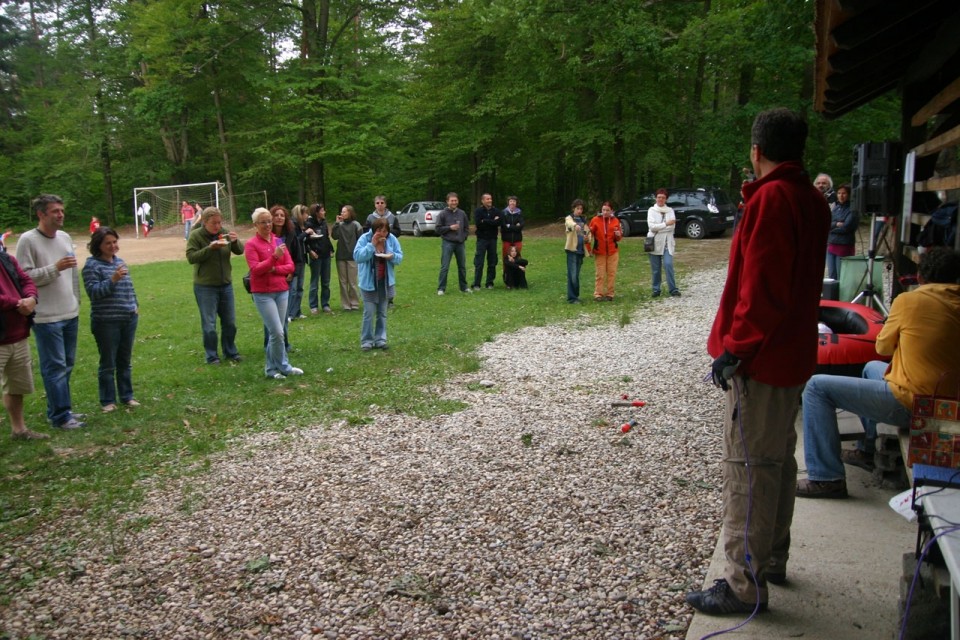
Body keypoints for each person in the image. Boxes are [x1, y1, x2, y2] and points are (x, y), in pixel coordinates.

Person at [686, 108, 830, 615]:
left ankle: (744, 583)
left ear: (756, 150)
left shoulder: (773, 198)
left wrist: (736, 350)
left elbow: (763, 288)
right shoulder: (812, 199)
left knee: (747, 467)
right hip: (790, 356)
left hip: (764, 362)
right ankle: (771, 558)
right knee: (776, 462)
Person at [798, 247, 960, 499]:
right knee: (871, 368)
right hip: (951, 406)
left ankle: (825, 477)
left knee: (816, 387)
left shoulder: (910, 301)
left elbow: (882, 346)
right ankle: (867, 450)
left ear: (919, 277)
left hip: (918, 407)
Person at [16, 195, 84, 430]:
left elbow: (73, 274)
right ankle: (61, 416)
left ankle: (61, 409)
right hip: (46, 317)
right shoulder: (28, 240)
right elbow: (23, 278)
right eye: (55, 211)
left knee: (67, 364)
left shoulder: (65, 237)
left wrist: (76, 300)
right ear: (41, 214)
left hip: (69, 312)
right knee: (54, 366)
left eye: (62, 210)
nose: (60, 214)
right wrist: (54, 269)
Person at [81, 227, 140, 413]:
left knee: (124, 360)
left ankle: (127, 396)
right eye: (108, 243)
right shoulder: (92, 266)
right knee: (108, 363)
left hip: (128, 318)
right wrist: (112, 280)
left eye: (115, 242)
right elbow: (94, 293)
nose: (113, 246)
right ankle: (107, 400)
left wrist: (135, 305)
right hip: (106, 322)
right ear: (98, 245)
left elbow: (129, 287)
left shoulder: (120, 262)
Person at [244, 208, 302, 380]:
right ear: (255, 225)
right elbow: (256, 270)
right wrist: (274, 259)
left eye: (269, 221)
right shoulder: (251, 245)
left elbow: (290, 266)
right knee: (276, 331)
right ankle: (281, 366)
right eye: (264, 222)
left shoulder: (278, 241)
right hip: (263, 293)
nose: (268, 225)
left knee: (279, 331)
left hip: (282, 290)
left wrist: (274, 268)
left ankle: (275, 368)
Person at [185, 206, 243, 365]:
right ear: (204, 222)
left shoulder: (223, 232)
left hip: (226, 285)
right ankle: (212, 356)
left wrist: (235, 241)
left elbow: (240, 251)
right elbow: (191, 257)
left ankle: (230, 351)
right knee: (209, 324)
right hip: (205, 286)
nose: (218, 226)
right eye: (214, 223)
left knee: (230, 322)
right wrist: (210, 248)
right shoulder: (196, 236)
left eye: (219, 222)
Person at [0, 246, 45, 440]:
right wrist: (18, 303)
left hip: (17, 335)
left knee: (16, 387)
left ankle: (19, 430)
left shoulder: (7, 259)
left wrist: (32, 298)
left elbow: (26, 280)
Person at [354, 217, 402, 350]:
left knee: (382, 312)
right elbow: (357, 257)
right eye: (379, 231)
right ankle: (366, 341)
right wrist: (372, 245)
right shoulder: (365, 238)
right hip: (368, 282)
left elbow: (399, 257)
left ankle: (380, 339)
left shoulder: (391, 239)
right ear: (374, 230)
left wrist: (391, 256)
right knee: (369, 312)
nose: (382, 234)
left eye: (385, 231)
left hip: (385, 281)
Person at [268, 205, 299, 352]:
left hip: (287, 277)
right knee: (270, 316)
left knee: (283, 314)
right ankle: (269, 344)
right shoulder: (266, 236)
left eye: (282, 215)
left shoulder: (291, 234)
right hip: (269, 279)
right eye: (276, 215)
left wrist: (292, 273)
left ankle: (284, 343)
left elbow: (298, 258)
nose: (279, 218)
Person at [365, 196, 400, 306]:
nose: (379, 204)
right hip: (375, 247)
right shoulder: (371, 217)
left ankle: (389, 299)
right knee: (375, 272)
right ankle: (375, 297)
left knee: (388, 272)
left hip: (388, 246)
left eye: (382, 202)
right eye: (377, 203)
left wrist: (388, 234)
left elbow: (398, 230)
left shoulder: (392, 217)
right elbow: (366, 230)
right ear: (375, 204)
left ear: (385, 204)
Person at [647, 188, 680, 297]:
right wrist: (666, 224)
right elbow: (651, 227)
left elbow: (672, 227)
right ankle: (656, 289)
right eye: (659, 197)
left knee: (668, 264)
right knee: (656, 269)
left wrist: (660, 227)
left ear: (666, 199)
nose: (660, 199)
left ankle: (673, 289)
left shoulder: (670, 211)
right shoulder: (651, 210)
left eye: (663, 197)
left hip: (667, 243)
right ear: (656, 198)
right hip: (654, 242)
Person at [436, 192, 471, 295]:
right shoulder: (443, 214)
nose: (454, 202)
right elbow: (437, 229)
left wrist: (464, 237)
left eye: (455, 200)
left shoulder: (462, 213)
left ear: (458, 201)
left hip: (460, 243)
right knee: (445, 266)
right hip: (448, 243)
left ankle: (464, 287)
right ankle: (441, 288)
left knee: (462, 266)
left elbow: (466, 228)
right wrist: (449, 228)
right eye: (452, 201)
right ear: (447, 201)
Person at [587, 201, 622, 301]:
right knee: (600, 273)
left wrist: (618, 235)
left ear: (612, 211)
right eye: (603, 210)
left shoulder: (615, 221)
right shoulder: (595, 220)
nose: (605, 212)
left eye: (607, 210)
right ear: (601, 210)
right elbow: (588, 236)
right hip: (600, 251)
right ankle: (598, 294)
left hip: (613, 251)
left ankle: (610, 294)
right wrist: (589, 249)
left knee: (611, 273)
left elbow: (619, 238)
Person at [303, 203, 334, 314]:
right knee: (314, 282)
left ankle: (325, 304)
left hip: (326, 256)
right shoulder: (309, 224)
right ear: (316, 213)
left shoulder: (324, 223)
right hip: (315, 256)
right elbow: (304, 241)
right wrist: (310, 251)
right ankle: (313, 306)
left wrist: (331, 249)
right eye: (322, 210)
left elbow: (326, 238)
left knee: (326, 282)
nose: (324, 212)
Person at [333, 205, 363, 311]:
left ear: (350, 212)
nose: (342, 214)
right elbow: (334, 236)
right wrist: (336, 223)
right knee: (343, 282)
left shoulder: (356, 225)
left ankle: (354, 303)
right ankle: (345, 304)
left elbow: (361, 239)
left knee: (352, 282)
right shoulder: (339, 225)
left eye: (344, 212)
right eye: (341, 212)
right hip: (341, 256)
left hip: (352, 257)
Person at [825, 184, 858, 281]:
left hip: (844, 245)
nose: (841, 195)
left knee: (841, 275)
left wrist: (833, 226)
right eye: (839, 193)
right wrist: (836, 224)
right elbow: (827, 223)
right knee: (832, 275)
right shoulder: (835, 208)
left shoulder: (853, 210)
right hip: (831, 245)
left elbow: (846, 227)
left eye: (844, 193)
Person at [564, 199, 591, 304]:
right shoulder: (569, 218)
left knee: (576, 274)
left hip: (580, 251)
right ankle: (572, 298)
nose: (580, 210)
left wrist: (587, 239)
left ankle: (575, 296)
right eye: (577, 208)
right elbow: (569, 224)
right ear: (573, 209)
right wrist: (575, 226)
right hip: (572, 251)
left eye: (581, 208)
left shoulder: (583, 220)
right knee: (573, 275)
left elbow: (588, 233)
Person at [472, 193, 501, 290]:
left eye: (491, 199)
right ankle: (476, 284)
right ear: (483, 201)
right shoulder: (478, 211)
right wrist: (492, 221)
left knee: (492, 261)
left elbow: (498, 222)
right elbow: (478, 224)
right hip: (482, 239)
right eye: (487, 199)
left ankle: (489, 283)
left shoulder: (496, 211)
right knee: (479, 262)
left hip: (493, 239)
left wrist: (485, 221)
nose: (490, 200)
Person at [287, 204, 309, 321]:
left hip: (302, 259)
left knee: (300, 287)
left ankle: (297, 311)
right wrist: (306, 233)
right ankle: (290, 313)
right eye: (305, 213)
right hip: (294, 260)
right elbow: (296, 241)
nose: (307, 216)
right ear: (300, 214)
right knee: (293, 288)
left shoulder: (301, 225)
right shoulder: (292, 225)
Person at [501, 196, 524, 262]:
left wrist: (509, 226)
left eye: (514, 201)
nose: (512, 203)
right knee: (506, 258)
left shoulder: (519, 213)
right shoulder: (503, 212)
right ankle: (506, 272)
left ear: (516, 203)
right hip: (506, 240)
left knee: (517, 258)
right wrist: (515, 226)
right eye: (511, 201)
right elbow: (503, 226)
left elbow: (521, 225)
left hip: (517, 239)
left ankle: (517, 271)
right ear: (508, 202)